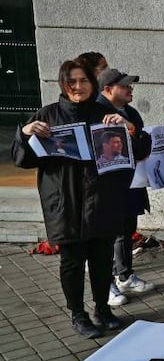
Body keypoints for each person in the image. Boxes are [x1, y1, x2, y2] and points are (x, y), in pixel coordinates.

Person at [12, 60, 133, 338]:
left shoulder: (106, 114)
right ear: (63, 84)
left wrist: (126, 128)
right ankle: (78, 314)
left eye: (83, 81)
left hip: (101, 200)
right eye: (71, 82)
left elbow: (136, 151)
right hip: (65, 202)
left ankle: (103, 309)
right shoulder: (48, 115)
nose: (78, 87)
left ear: (93, 83)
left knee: (102, 260)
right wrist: (24, 134)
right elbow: (22, 159)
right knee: (72, 262)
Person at [97, 68, 156, 306]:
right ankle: (106, 282)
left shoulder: (130, 113)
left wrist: (129, 127)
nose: (131, 89)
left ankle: (124, 274)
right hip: (106, 186)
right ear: (107, 89)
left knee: (127, 228)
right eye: (125, 86)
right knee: (107, 234)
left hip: (131, 181)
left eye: (131, 85)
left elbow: (142, 147)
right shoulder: (96, 113)